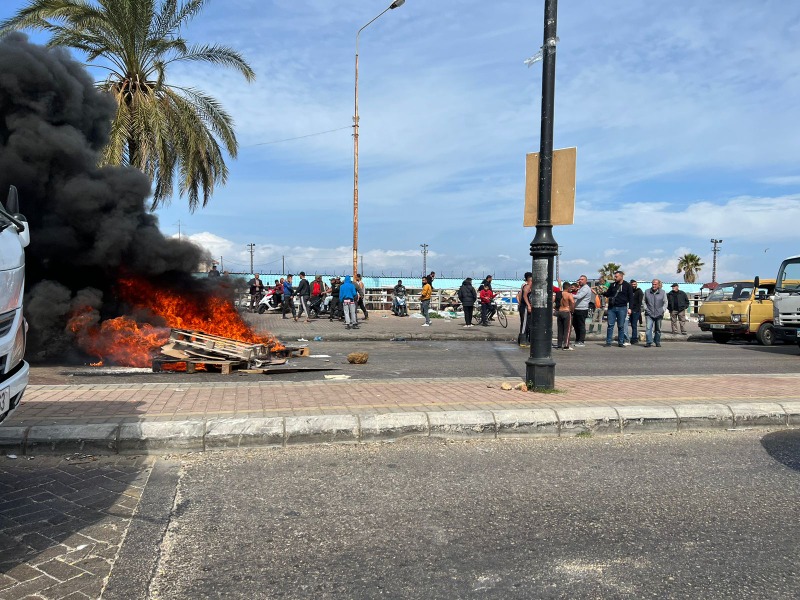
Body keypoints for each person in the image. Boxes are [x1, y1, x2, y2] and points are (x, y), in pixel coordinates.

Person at [603, 270, 633, 347]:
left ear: (621, 276)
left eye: (616, 276)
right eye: (614, 276)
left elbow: (631, 297)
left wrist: (630, 308)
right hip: (612, 308)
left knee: (621, 326)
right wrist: (601, 292)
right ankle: (608, 342)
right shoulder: (612, 285)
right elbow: (608, 294)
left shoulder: (627, 285)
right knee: (610, 325)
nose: (615, 278)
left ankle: (621, 342)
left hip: (622, 308)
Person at [644, 278, 667, 347]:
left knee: (658, 329)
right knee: (648, 328)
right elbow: (644, 301)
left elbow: (665, 302)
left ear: (658, 285)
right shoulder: (647, 291)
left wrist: (662, 310)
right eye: (653, 284)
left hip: (659, 313)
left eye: (655, 284)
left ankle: (657, 341)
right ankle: (649, 342)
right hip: (649, 313)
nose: (654, 285)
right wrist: (646, 309)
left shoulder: (663, 292)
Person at [571, 275, 591, 347]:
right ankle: (577, 339)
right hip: (577, 309)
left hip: (582, 309)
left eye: (582, 279)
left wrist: (569, 295)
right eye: (579, 279)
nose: (580, 281)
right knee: (575, 325)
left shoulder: (586, 288)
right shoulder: (581, 288)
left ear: (586, 281)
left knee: (581, 325)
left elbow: (579, 296)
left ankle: (581, 340)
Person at [556, 280, 576, 350]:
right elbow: (573, 302)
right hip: (566, 311)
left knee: (560, 329)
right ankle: (566, 345)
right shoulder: (569, 294)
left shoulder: (559, 294)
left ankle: (559, 344)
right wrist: (572, 310)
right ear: (568, 288)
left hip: (560, 311)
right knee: (567, 330)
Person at [517, 272, 533, 345]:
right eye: (532, 281)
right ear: (528, 280)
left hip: (525, 306)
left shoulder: (530, 287)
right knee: (524, 324)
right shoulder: (526, 286)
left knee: (527, 324)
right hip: (525, 307)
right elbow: (524, 296)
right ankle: (522, 341)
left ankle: (524, 339)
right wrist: (528, 305)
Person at [628, 279, 644, 344]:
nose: (633, 285)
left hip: (636, 311)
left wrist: (635, 310)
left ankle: (634, 339)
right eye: (632, 284)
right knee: (631, 324)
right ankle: (629, 337)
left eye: (635, 284)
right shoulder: (629, 291)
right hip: (629, 310)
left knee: (634, 325)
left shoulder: (639, 291)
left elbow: (640, 302)